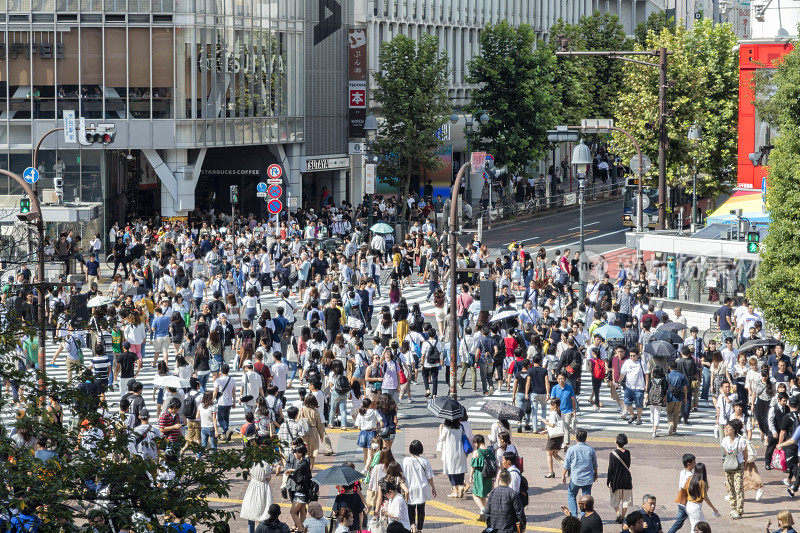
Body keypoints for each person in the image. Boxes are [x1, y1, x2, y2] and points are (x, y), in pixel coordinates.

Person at [401, 439, 436, 533]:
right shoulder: (425, 461)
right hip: (422, 488)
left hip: (410, 487)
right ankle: (419, 528)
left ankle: (412, 525)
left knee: (410, 508)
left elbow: (402, 476)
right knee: (421, 510)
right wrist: (433, 488)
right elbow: (429, 477)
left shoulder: (405, 461)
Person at [562, 428, 598, 518]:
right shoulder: (591, 450)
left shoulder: (571, 449)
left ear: (576, 438)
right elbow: (595, 464)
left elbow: (566, 464)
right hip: (587, 478)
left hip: (575, 478)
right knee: (586, 497)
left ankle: (574, 515)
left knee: (571, 494)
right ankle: (584, 516)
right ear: (586, 438)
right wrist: (595, 474)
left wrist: (563, 475)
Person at [721, 418, 747, 519]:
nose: (726, 430)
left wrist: (743, 466)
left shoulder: (741, 440)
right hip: (728, 466)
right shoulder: (725, 440)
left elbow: (745, 454)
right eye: (726, 428)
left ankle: (739, 510)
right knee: (730, 488)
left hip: (738, 466)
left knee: (738, 488)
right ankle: (733, 507)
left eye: (729, 428)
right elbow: (725, 454)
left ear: (735, 430)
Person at [485, 469, 526, 533]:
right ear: (509, 480)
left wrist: (489, 526)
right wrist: (522, 527)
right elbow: (520, 513)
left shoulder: (493, 492)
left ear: (500, 479)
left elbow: (487, 513)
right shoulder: (513, 494)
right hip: (509, 529)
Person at [240, 457, 274, 533]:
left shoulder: (251, 463)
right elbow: (268, 479)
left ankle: (251, 531)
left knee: (251, 509)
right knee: (263, 511)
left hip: (253, 486)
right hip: (263, 487)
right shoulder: (266, 465)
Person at [436, 418, 468, 499]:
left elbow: (441, 438)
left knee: (450, 471)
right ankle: (461, 485)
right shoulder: (460, 427)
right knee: (460, 470)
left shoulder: (446, 428)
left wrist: (440, 430)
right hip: (460, 451)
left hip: (449, 453)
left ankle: (455, 489)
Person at [683, 462, 719, 530]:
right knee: (698, 528)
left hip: (689, 505)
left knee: (701, 527)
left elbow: (685, 489)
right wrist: (713, 508)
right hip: (695, 507)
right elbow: (705, 497)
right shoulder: (702, 482)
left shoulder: (690, 478)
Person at [608, 433, 633, 524]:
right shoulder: (628, 452)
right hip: (626, 480)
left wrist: (608, 481)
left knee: (615, 499)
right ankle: (623, 516)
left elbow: (611, 468)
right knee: (626, 499)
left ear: (616, 441)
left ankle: (618, 513)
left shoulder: (613, 454)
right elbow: (628, 465)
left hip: (616, 480)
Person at [667, 453, 696, 533]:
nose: (695, 463)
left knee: (678, 523)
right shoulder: (690, 476)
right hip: (688, 503)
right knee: (696, 522)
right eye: (694, 462)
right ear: (689, 464)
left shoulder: (682, 472)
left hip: (681, 502)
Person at [469, 434, 494, 515]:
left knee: (475, 495)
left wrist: (470, 476)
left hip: (479, 476)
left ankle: (483, 509)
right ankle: (486, 513)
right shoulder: (489, 451)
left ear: (477, 443)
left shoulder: (477, 452)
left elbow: (473, 466)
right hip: (489, 475)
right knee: (483, 495)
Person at [542, 397, 565, 478]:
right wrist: (546, 431)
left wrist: (545, 422)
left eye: (550, 405)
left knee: (549, 454)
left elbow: (552, 425)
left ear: (554, 405)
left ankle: (551, 472)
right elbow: (558, 426)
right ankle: (567, 466)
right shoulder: (561, 413)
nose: (550, 407)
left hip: (553, 437)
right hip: (560, 436)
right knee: (555, 454)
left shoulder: (553, 413)